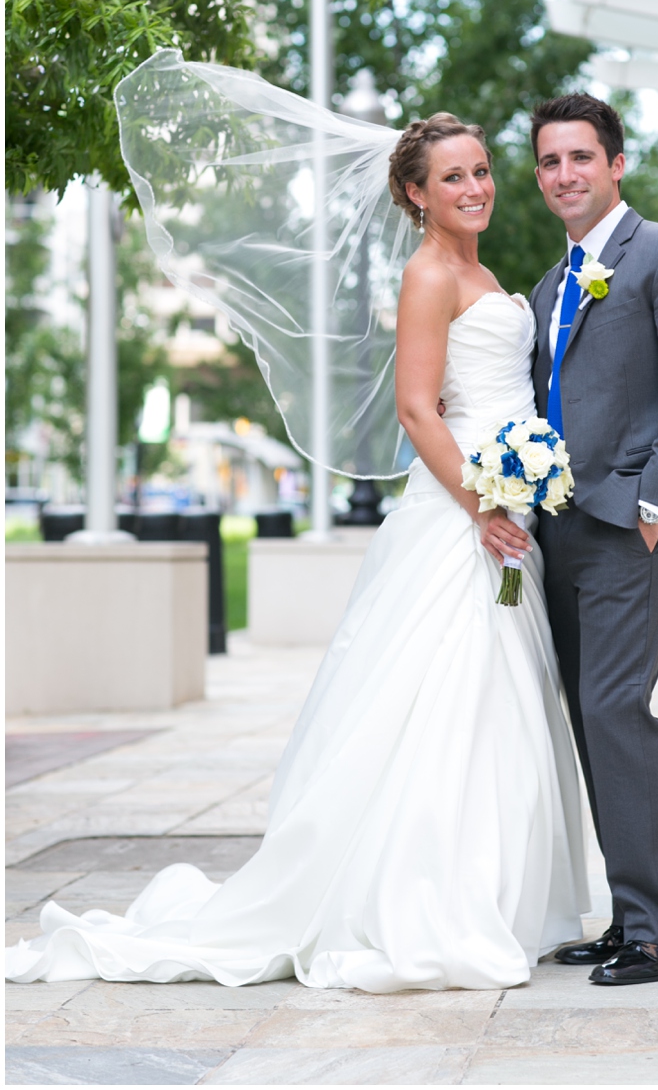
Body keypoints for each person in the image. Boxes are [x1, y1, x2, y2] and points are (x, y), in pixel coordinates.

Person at [7, 112, 589, 992]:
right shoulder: (430, 273)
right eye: (453, 177)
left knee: (494, 698)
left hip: (503, 505)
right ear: (414, 193)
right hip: (463, 510)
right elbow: (418, 410)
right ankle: (425, 898)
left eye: (481, 171)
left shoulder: (479, 267)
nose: (476, 188)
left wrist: (515, 490)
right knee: (448, 692)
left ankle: (500, 894)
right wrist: (481, 503)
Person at [528, 93, 658, 986]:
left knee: (617, 712)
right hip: (561, 530)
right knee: (590, 719)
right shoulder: (549, 284)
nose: (564, 174)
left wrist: (655, 504)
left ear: (616, 163)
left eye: (580, 157)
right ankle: (630, 915)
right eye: (548, 162)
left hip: (632, 529)